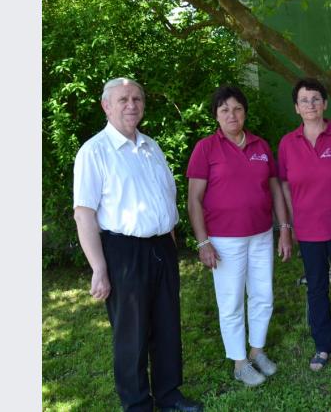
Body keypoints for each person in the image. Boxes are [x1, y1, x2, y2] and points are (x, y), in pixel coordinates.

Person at [73, 78, 203, 412]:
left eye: (137, 99)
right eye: (123, 99)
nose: (132, 105)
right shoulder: (94, 151)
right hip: (124, 252)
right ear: (106, 106)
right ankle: (137, 404)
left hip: (162, 247)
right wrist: (99, 268)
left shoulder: (151, 147)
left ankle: (169, 394)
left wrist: (170, 244)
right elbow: (84, 214)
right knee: (131, 333)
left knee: (167, 324)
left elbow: (164, 198)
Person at [186, 85, 293, 388]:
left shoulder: (260, 145)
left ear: (245, 112)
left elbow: (275, 190)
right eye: (224, 110)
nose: (231, 115)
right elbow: (194, 199)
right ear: (216, 116)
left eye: (237, 109)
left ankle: (257, 351)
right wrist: (203, 242)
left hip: (261, 235)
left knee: (263, 295)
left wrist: (284, 229)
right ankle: (239, 362)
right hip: (224, 240)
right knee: (231, 301)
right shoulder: (205, 148)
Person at [277, 78, 331, 371]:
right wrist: (291, 222)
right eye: (304, 100)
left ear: (325, 104)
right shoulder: (288, 143)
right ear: (296, 108)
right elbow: (285, 185)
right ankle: (322, 346)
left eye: (316, 99)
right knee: (316, 288)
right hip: (308, 230)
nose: (310, 105)